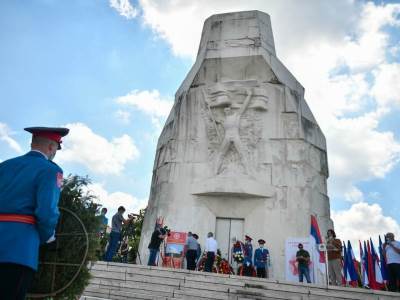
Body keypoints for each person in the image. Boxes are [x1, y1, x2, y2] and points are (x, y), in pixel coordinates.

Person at [0, 126, 69, 299]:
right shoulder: (51, 170)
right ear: (52, 147)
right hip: (19, 249)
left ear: (32, 143)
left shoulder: (5, 166)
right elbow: (46, 212)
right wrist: (48, 237)